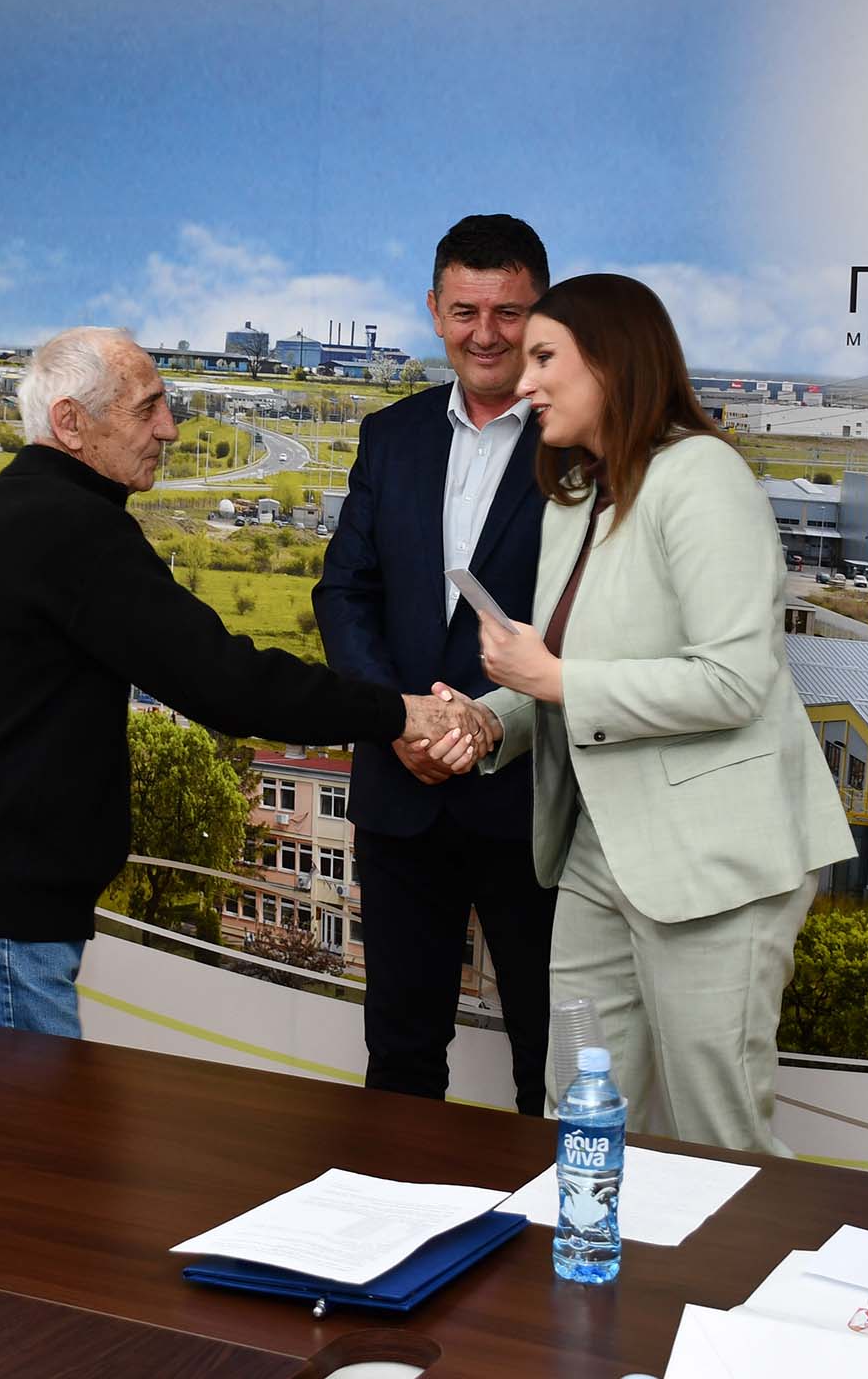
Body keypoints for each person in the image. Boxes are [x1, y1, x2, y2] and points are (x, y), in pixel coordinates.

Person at [0, 327, 482, 1036]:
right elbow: (228, 682)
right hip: (6, 925)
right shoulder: (74, 530)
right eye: (146, 408)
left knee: (5, 1107)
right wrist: (397, 713)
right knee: (23, 1110)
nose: (170, 429)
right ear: (71, 422)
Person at [467, 274, 856, 1154]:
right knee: (581, 1112)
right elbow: (571, 669)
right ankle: (589, 1247)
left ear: (611, 361)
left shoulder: (703, 477)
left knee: (717, 1132)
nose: (523, 382)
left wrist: (551, 680)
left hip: (715, 860)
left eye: (544, 357)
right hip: (600, 845)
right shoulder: (578, 496)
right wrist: (492, 717)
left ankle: (741, 1255)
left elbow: (732, 681)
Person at [313, 215, 557, 1115]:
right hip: (401, 792)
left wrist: (487, 723)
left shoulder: (582, 442)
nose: (485, 335)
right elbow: (345, 593)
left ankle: (553, 1213)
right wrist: (400, 720)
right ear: (433, 310)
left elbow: (594, 623)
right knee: (401, 1058)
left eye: (508, 312)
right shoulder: (391, 435)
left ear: (541, 314)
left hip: (532, 804)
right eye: (465, 311)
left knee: (554, 1069)